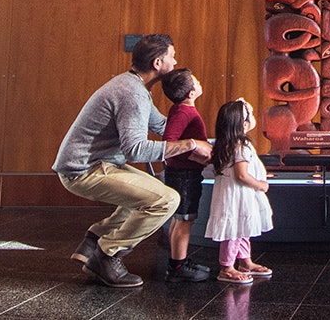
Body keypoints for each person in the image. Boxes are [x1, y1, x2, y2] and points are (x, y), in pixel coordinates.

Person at [52, 34, 213, 288]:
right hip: (83, 170)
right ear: (158, 63)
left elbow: (162, 125)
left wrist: (209, 142)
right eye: (172, 56)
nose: (176, 60)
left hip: (97, 163)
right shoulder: (133, 94)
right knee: (167, 200)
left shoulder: (134, 86)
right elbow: (136, 150)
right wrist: (191, 144)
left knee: (147, 192)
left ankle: (95, 238)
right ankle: (107, 255)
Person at [204, 99, 273, 285]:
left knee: (241, 227)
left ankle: (245, 262)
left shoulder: (227, 143)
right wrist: (260, 184)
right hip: (237, 194)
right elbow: (241, 175)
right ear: (243, 124)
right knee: (233, 229)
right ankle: (226, 267)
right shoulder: (240, 146)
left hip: (237, 195)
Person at [160, 68, 210, 283]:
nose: (200, 82)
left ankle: (177, 262)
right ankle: (177, 268)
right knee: (185, 221)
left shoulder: (181, 110)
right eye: (196, 80)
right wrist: (196, 154)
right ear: (190, 92)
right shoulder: (183, 112)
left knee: (179, 219)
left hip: (184, 173)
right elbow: (170, 142)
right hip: (184, 175)